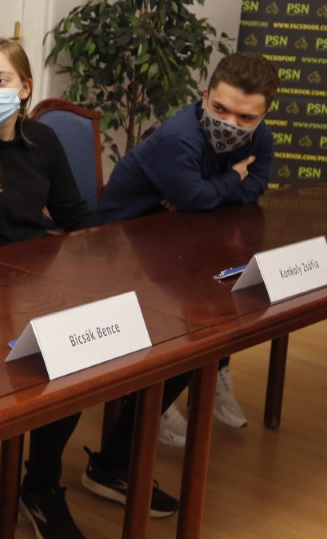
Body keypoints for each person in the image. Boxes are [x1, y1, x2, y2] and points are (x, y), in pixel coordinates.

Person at [0, 37, 181, 539]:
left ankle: (105, 467)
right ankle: (40, 488)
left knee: (128, 338)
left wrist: (117, 257)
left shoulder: (43, 140)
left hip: (37, 287)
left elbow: (74, 216)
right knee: (64, 358)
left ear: (24, 88)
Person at [97, 52, 279, 443]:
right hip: (126, 240)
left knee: (228, 288)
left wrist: (207, 193)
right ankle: (155, 398)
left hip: (185, 231)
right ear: (204, 95)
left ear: (263, 116)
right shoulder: (178, 137)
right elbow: (197, 196)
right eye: (220, 109)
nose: (230, 124)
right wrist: (230, 177)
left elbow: (256, 185)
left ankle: (211, 372)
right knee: (192, 302)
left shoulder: (262, 137)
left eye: (245, 118)